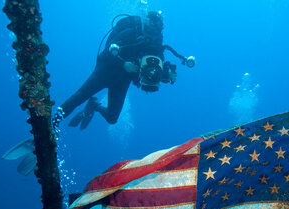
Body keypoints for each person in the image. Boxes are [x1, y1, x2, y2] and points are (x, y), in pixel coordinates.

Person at [53, 11, 195, 130]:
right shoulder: (130, 32)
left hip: (123, 80)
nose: (151, 34)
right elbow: (108, 51)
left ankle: (94, 105)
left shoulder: (156, 43)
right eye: (151, 28)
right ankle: (53, 123)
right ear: (146, 23)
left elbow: (154, 70)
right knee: (79, 96)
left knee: (112, 118)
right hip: (105, 70)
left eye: (156, 30)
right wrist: (124, 64)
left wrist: (167, 76)